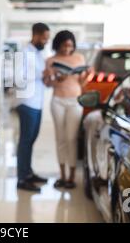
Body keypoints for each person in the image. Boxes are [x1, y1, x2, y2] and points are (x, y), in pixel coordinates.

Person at [44, 30, 91, 189]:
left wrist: (87, 75)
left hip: (75, 101)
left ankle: (72, 176)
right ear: (58, 45)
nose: (67, 49)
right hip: (57, 100)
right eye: (64, 46)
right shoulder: (51, 60)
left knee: (71, 139)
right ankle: (62, 175)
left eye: (70, 46)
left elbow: (82, 84)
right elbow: (48, 84)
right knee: (60, 139)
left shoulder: (79, 58)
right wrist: (56, 78)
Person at [15, 23, 50, 192]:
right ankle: (22, 179)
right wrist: (40, 75)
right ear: (35, 35)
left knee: (31, 140)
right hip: (27, 102)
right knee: (25, 141)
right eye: (44, 38)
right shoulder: (24, 53)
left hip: (38, 102)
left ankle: (28, 172)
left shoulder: (38, 54)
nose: (45, 41)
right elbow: (18, 78)